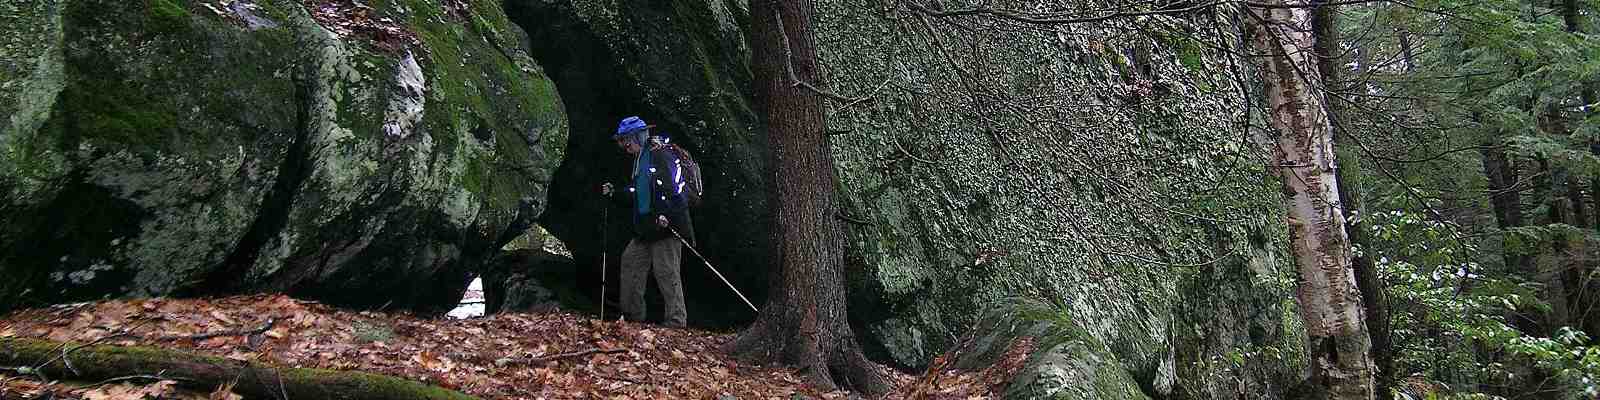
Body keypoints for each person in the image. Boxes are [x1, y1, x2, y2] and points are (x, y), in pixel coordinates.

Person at [601, 116, 694, 327]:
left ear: (639, 136)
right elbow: (638, 193)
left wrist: (667, 216)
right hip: (645, 228)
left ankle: (676, 323)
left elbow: (677, 190)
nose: (624, 145)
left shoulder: (661, 154)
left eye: (627, 139)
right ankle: (633, 318)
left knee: (666, 272)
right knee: (631, 263)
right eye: (621, 141)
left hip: (666, 228)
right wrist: (615, 193)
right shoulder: (640, 159)